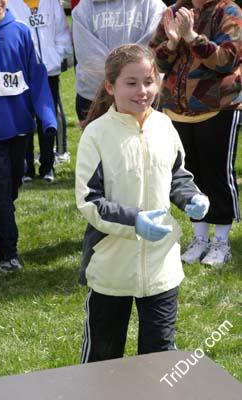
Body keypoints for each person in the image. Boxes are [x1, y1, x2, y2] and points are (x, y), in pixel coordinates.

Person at [75, 44, 209, 363]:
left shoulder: (164, 126)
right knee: (103, 358)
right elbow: (90, 200)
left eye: (148, 81)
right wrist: (134, 221)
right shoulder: (96, 136)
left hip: (162, 266)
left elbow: (177, 174)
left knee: (159, 357)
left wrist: (191, 197)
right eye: (131, 83)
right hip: (111, 267)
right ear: (111, 86)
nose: (142, 91)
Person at [150, 0, 242, 265]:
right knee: (190, 176)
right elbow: (156, 61)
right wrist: (171, 43)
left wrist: (191, 37)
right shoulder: (175, 10)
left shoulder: (230, 12)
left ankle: (221, 242)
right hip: (177, 110)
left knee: (217, 175)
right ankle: (199, 238)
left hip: (217, 108)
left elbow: (227, 60)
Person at [0, 0, 57, 272]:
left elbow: (36, 77)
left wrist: (47, 118)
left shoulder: (21, 31)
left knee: (9, 185)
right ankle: (5, 252)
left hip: (18, 125)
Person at [8, 0, 73, 182]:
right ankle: (26, 168)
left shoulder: (51, 2)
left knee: (47, 119)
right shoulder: (10, 4)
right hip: (22, 72)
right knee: (24, 118)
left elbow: (62, 32)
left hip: (49, 72)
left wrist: (57, 56)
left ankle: (47, 166)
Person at [72, 0, 167, 122]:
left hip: (141, 98)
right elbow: (87, 55)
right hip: (94, 97)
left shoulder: (153, 5)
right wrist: (123, 81)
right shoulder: (84, 8)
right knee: (96, 140)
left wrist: (125, 82)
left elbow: (152, 49)